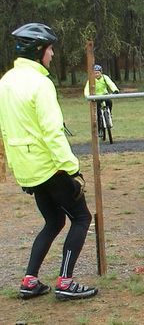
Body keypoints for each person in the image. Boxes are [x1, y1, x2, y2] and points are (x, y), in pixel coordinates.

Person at [0, 23, 98, 300]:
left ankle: (29, 280)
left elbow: (5, 129)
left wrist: (15, 168)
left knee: (54, 221)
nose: (53, 55)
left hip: (26, 167)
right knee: (81, 217)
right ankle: (65, 282)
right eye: (51, 49)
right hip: (48, 165)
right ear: (39, 51)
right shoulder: (40, 83)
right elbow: (52, 132)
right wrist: (72, 167)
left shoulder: (5, 81)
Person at [84, 64, 119, 136]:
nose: (96, 74)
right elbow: (87, 88)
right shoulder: (91, 80)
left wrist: (115, 90)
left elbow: (111, 84)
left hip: (104, 94)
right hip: (96, 97)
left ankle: (109, 113)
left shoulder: (105, 78)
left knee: (109, 101)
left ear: (101, 72)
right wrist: (88, 96)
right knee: (97, 112)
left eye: (98, 72)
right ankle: (99, 129)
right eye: (95, 73)